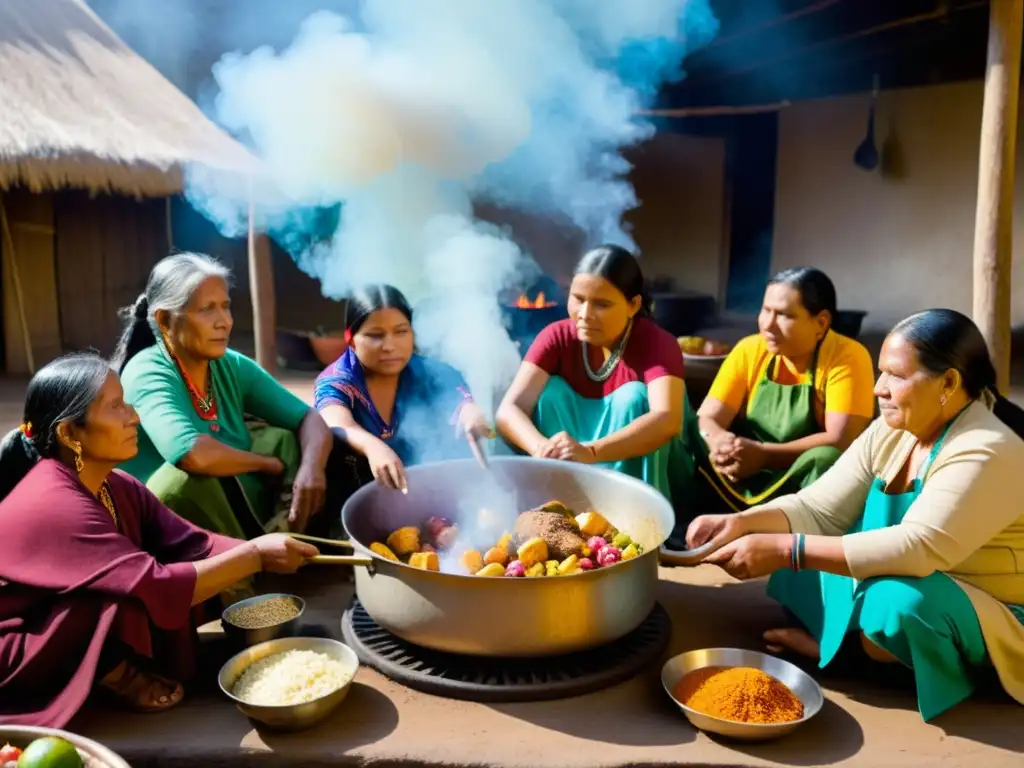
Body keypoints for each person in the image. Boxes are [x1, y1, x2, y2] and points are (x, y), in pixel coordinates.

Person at [686, 309, 1024, 721]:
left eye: (896, 376)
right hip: (907, 567)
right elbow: (819, 507)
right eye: (880, 373)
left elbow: (917, 547)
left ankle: (865, 657)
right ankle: (865, 644)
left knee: (896, 603)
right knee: (808, 545)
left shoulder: (987, 447)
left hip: (986, 604)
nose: (879, 388)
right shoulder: (895, 426)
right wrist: (741, 522)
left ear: (949, 382)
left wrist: (785, 549)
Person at [0, 353, 319, 728]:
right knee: (117, 594)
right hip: (20, 645)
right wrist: (254, 555)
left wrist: (264, 551)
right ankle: (115, 673)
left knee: (200, 575)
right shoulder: (54, 500)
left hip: (53, 620)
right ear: (70, 433)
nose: (133, 417)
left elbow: (192, 542)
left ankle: (132, 658)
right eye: (115, 407)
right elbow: (154, 584)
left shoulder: (115, 485)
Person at [116, 253, 336, 542]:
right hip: (163, 521)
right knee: (180, 481)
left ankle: (282, 535)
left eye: (225, 307)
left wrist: (312, 469)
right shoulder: (147, 371)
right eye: (207, 309)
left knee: (285, 439)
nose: (225, 322)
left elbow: (308, 417)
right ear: (166, 320)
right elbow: (192, 455)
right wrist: (266, 464)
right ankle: (231, 576)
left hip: (227, 491)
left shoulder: (228, 364)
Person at [496, 244, 697, 506]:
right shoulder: (557, 336)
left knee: (633, 396)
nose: (585, 315)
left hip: (634, 481)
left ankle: (636, 517)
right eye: (578, 299)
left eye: (601, 304)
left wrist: (590, 452)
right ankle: (561, 503)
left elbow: (666, 420)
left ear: (633, 305)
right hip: (566, 464)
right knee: (550, 392)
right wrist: (540, 448)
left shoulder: (657, 344)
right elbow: (508, 410)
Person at [694, 267, 874, 514]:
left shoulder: (847, 357)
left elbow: (840, 439)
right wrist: (720, 442)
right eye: (765, 310)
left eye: (784, 315)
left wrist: (764, 456)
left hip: (802, 484)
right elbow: (709, 417)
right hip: (739, 470)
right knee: (681, 427)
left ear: (821, 323)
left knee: (826, 458)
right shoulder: (749, 349)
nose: (768, 325)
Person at [314, 284, 492, 493]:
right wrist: (372, 446)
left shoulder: (433, 373)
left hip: (429, 494)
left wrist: (471, 412)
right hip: (358, 497)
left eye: (401, 332)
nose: (389, 346)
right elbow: (337, 423)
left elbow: (462, 402)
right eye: (375, 335)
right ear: (350, 339)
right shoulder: (337, 380)